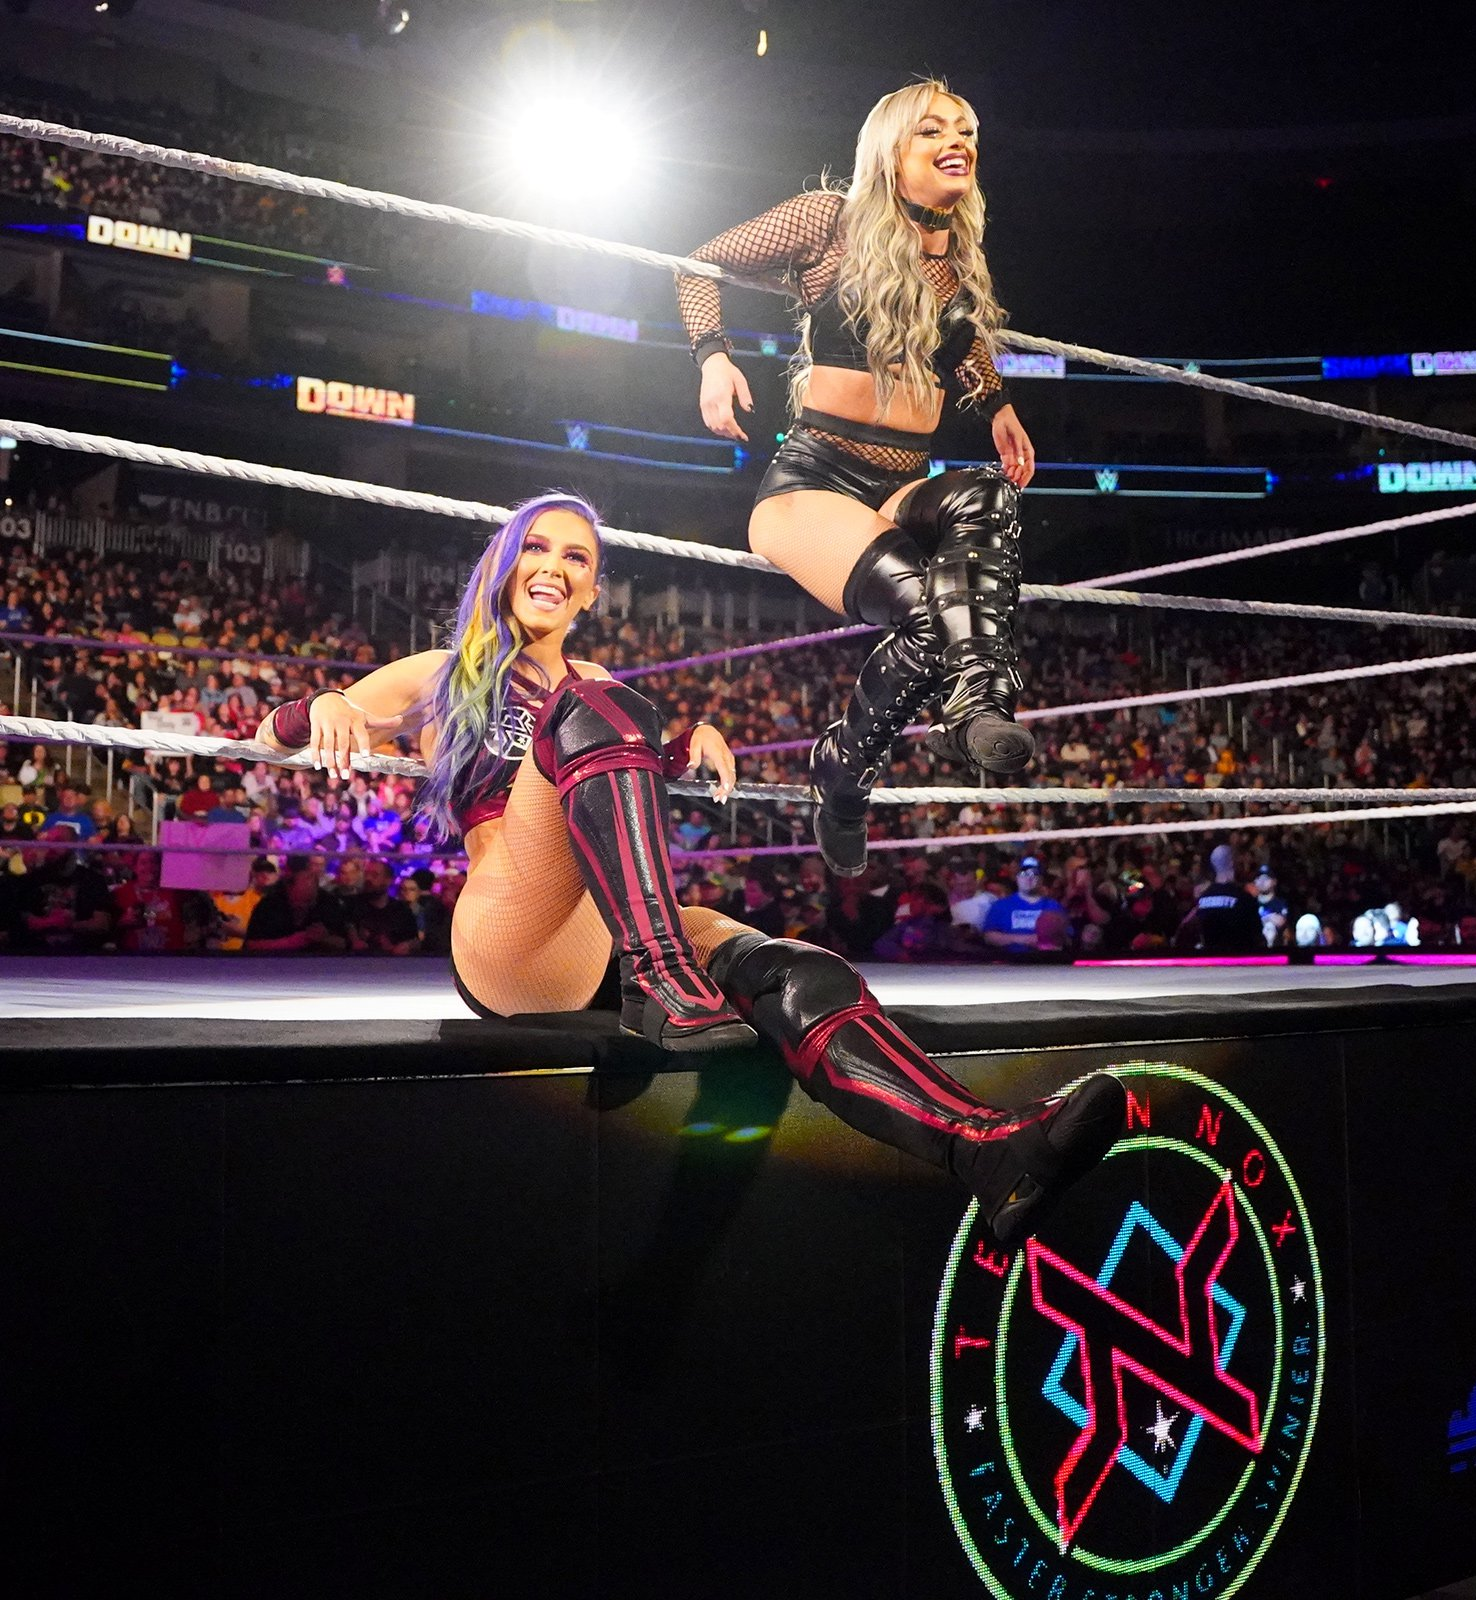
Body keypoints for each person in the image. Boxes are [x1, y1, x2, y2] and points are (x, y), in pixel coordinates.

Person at [255, 495, 1119, 1245]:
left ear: (593, 590)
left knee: (799, 971)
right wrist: (320, 705)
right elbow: (270, 736)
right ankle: (663, 975)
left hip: (604, 937)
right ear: (503, 565)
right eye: (536, 547)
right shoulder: (444, 674)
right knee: (591, 703)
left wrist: (679, 747)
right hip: (512, 938)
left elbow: (607, 782)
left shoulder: (595, 685)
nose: (554, 567)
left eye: (577, 557)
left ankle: (985, 1148)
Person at [680, 78, 1037, 875]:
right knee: (930, 611)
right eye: (933, 129)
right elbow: (698, 263)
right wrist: (712, 358)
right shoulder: (830, 221)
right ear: (891, 149)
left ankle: (975, 705)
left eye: (967, 129)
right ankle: (844, 773)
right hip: (815, 480)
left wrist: (998, 406)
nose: (958, 141)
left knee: (987, 494)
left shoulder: (949, 257)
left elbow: (960, 345)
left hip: (903, 482)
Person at [1185, 845, 1265, 955]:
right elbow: (1256, 933)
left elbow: (1190, 929)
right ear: (1232, 862)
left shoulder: (1203, 898)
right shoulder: (1243, 897)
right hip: (1238, 957)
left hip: (1210, 958)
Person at [983, 857, 1067, 955]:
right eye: (1024, 874)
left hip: (1045, 960)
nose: (1029, 878)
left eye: (1034, 874)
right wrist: (1023, 939)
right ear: (1017, 877)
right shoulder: (1000, 906)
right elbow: (989, 937)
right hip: (1010, 960)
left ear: (1041, 880)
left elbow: (1066, 937)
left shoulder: (1053, 906)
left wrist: (1047, 942)